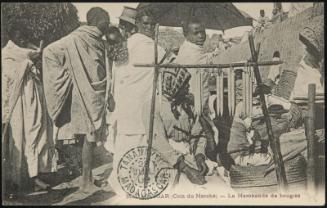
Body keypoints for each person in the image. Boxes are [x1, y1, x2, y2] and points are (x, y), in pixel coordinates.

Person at [42, 7, 111, 193]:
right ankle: (85, 181)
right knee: (88, 137)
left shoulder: (97, 40)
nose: (108, 23)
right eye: (105, 19)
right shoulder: (75, 38)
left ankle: (86, 178)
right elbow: (49, 52)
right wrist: (66, 77)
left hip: (94, 93)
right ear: (97, 20)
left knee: (87, 138)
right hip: (83, 94)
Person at [107, 11, 168, 197]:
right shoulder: (153, 49)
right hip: (135, 104)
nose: (149, 27)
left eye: (152, 24)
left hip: (133, 104)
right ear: (138, 24)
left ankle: (126, 185)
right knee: (135, 143)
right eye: (146, 24)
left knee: (133, 143)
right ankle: (132, 185)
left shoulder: (129, 45)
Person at [2, 24, 55, 193]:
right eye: (20, 38)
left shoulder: (27, 54)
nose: (23, 40)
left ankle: (35, 175)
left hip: (32, 99)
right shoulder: (7, 55)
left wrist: (33, 61)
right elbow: (9, 79)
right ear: (13, 38)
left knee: (36, 132)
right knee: (19, 137)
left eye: (25, 37)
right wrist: (28, 62)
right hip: (17, 102)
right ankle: (18, 179)